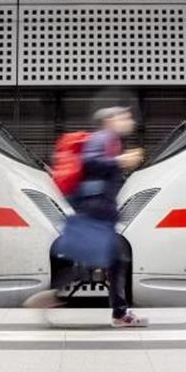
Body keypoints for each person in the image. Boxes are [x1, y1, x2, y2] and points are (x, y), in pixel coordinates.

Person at [24, 105, 148, 327]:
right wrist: (120, 161)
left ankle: (58, 296)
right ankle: (118, 314)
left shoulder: (108, 139)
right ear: (110, 120)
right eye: (124, 117)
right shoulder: (103, 137)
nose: (129, 121)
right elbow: (91, 161)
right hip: (97, 208)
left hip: (96, 207)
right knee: (110, 259)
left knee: (106, 259)